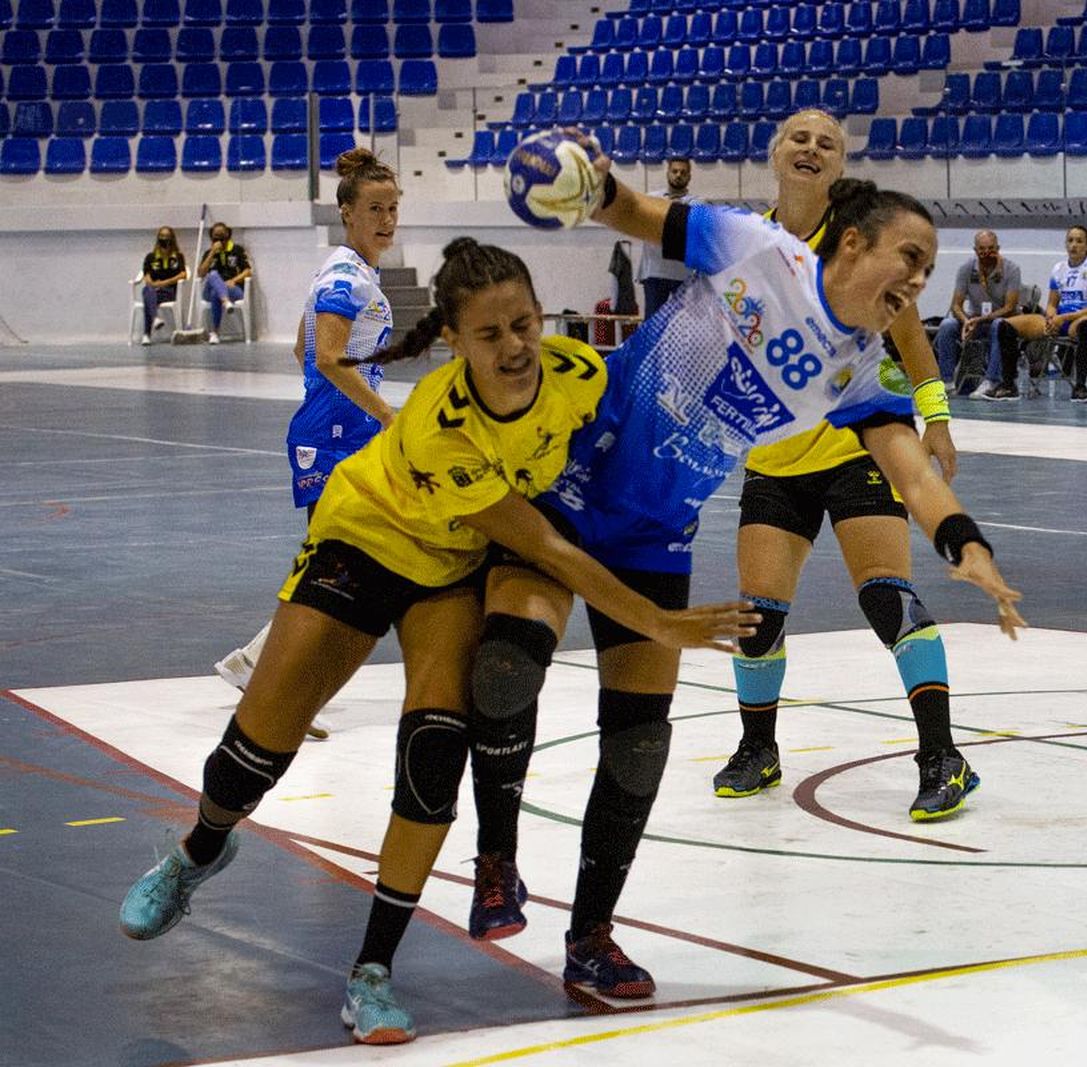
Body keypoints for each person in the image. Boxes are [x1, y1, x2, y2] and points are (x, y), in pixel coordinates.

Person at [118, 238, 756, 1046]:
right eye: (490, 336)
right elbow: (552, 550)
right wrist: (662, 622)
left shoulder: (574, 372)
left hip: (451, 568)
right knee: (255, 747)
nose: (515, 346)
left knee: (433, 748)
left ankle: (372, 971)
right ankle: (198, 850)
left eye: (524, 324)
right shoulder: (440, 427)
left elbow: (642, 390)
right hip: (366, 536)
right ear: (453, 340)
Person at [455, 156, 1025, 1013]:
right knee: (507, 666)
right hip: (570, 480)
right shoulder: (756, 248)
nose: (919, 275)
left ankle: (589, 938)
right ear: (854, 242)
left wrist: (964, 540)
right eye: (909, 253)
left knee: (640, 743)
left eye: (928, 265)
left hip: (657, 530)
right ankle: (496, 859)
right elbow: (637, 213)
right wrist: (584, 182)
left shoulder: (861, 371)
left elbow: (913, 474)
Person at [709, 108, 979, 823]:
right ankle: (757, 748)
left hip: (855, 447)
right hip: (775, 459)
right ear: (775, 153)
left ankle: (943, 756)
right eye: (799, 138)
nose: (811, 148)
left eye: (826, 142)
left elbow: (912, 336)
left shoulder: (860, 242)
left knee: (887, 597)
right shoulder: (747, 246)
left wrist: (938, 419)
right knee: (756, 616)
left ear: (838, 163)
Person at [214, 149, 403, 729]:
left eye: (394, 208)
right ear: (347, 212)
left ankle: (256, 664)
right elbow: (323, 355)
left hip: (341, 432)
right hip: (335, 437)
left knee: (346, 561)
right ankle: (267, 677)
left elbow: (303, 349)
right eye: (375, 208)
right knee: (335, 565)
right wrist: (389, 417)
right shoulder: (346, 277)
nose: (387, 219)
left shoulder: (346, 270)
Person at [991, 224, 1087, 403]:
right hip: (1060, 319)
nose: (1074, 245)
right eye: (1070, 241)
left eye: (1079, 241)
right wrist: (1051, 318)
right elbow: (1052, 304)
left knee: (1086, 325)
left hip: (1083, 319)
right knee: (1005, 325)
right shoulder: (1058, 269)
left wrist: (1063, 318)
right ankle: (1009, 384)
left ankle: (1080, 387)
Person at [932, 230, 1020, 395]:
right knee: (947, 324)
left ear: (998, 248)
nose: (986, 253)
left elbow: (1010, 307)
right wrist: (965, 321)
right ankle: (947, 381)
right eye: (982, 249)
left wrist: (981, 319)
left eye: (991, 248)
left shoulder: (1012, 269)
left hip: (1000, 321)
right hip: (973, 322)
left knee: (998, 325)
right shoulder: (966, 269)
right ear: (975, 250)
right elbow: (956, 305)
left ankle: (991, 381)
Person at [636, 155, 693, 318]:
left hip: (684, 275)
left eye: (683, 172)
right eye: (674, 171)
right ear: (668, 173)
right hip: (654, 272)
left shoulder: (697, 202)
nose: (678, 175)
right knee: (652, 326)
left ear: (689, 176)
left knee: (683, 327)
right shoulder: (651, 198)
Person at [197, 220, 253, 345]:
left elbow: (248, 272)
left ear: (228, 235)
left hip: (233, 288)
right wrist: (212, 253)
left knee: (215, 294)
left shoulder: (236, 250)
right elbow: (200, 273)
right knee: (213, 274)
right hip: (210, 288)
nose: (219, 240)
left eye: (222, 236)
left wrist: (234, 280)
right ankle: (225, 301)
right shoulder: (208, 253)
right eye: (216, 237)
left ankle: (215, 332)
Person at [139, 226, 188, 345]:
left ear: (172, 239)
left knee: (148, 299)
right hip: (154, 290)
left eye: (167, 236)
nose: (164, 239)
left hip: (169, 292)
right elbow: (147, 276)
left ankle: (146, 334)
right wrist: (153, 284)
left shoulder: (177, 256)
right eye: (162, 236)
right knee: (148, 291)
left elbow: (183, 274)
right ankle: (155, 319)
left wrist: (165, 283)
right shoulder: (151, 257)